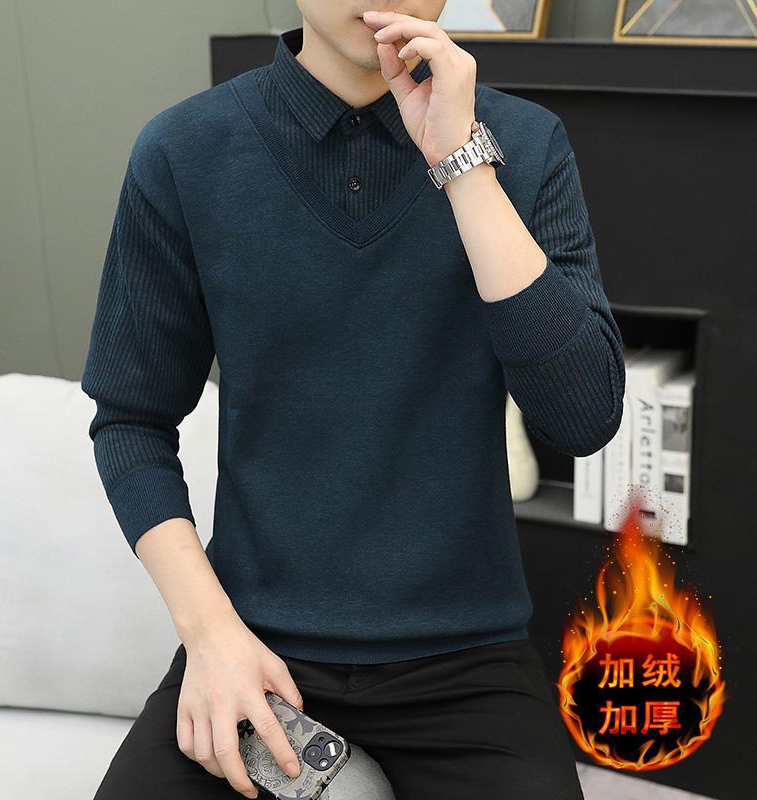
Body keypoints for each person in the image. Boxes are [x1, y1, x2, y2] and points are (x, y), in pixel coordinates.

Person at [81, 3, 625, 798]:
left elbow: (582, 416)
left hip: (467, 660)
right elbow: (131, 420)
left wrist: (463, 163)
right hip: (254, 643)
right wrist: (211, 634)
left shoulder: (527, 142)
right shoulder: (184, 150)